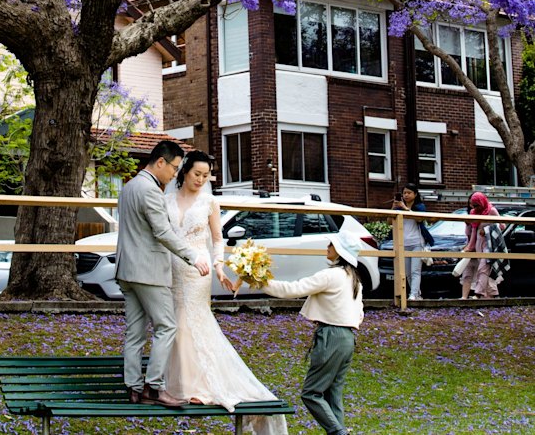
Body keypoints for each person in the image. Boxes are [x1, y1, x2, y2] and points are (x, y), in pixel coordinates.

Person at [164, 150, 288, 435]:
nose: (201, 180)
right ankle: (178, 382)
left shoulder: (209, 202)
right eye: (197, 174)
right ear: (184, 172)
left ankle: (196, 385)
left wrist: (220, 268)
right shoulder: (166, 199)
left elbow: (218, 240)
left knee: (190, 319)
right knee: (175, 323)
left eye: (206, 176)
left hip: (199, 269)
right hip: (171, 268)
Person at [115, 140, 210, 407]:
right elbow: (162, 232)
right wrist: (192, 256)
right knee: (167, 326)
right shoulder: (150, 191)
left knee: (134, 332)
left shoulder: (129, 187)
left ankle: (132, 388)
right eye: (174, 168)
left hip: (126, 270)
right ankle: (154, 388)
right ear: (160, 162)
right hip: (149, 271)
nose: (174, 174)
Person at [257, 232, 364, 435]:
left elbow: (294, 288)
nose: (328, 248)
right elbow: (360, 312)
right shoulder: (354, 279)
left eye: (331, 245)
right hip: (348, 338)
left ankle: (339, 433)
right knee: (334, 393)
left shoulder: (331, 275)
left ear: (339, 251)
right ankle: (338, 431)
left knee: (311, 393)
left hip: (331, 336)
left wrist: (262, 282)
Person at [391, 182, 433, 301]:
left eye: (409, 193)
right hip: (403, 242)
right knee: (407, 272)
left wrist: (405, 209)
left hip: (416, 242)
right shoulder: (398, 208)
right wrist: (393, 208)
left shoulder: (419, 207)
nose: (406, 195)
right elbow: (389, 221)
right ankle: (416, 293)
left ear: (415, 194)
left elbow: (420, 218)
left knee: (415, 270)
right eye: (404, 193)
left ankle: (413, 295)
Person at [460, 191, 503, 299]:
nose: (475, 208)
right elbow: (470, 232)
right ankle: (494, 294)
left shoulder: (491, 210)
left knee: (483, 268)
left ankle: (478, 293)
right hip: (477, 243)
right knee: (482, 269)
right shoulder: (473, 212)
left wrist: (487, 230)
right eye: (473, 205)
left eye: (477, 205)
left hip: (489, 243)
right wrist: (468, 224)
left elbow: (502, 225)